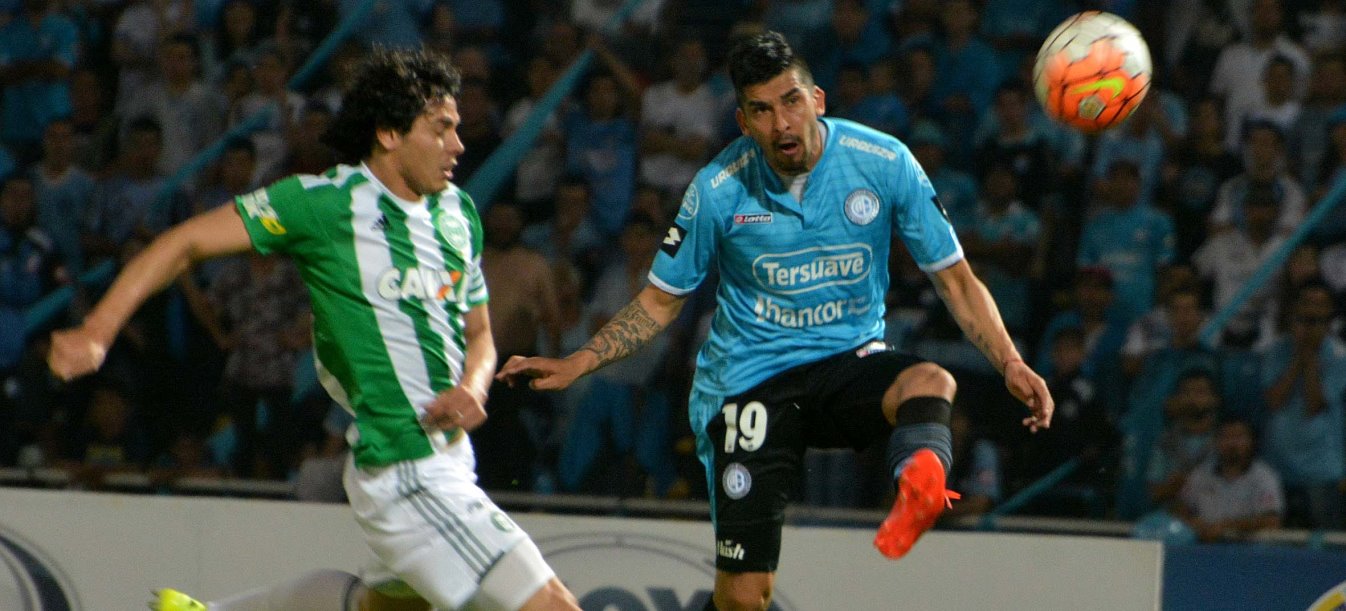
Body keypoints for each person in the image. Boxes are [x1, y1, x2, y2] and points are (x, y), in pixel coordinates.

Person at [498, 32, 1053, 611]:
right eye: (762, 110)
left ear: (817, 100)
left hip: (846, 361)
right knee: (745, 598)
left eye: (791, 101)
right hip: (747, 384)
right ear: (743, 122)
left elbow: (956, 280)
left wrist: (1011, 362)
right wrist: (578, 362)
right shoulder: (718, 188)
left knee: (931, 381)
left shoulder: (884, 161)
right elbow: (660, 302)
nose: (782, 123)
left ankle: (920, 484)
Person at [47, 49, 579, 611]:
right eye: (441, 128)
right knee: (552, 606)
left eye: (458, 128)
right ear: (389, 134)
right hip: (406, 468)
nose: (458, 145)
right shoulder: (324, 204)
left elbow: (480, 335)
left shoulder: (458, 213)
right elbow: (183, 243)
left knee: (379, 608)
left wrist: (473, 386)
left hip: (451, 461)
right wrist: (98, 330)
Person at [1175, 418, 1285, 542]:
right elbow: (1179, 510)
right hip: (1205, 544)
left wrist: (1225, 526)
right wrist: (1193, 522)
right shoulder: (1201, 474)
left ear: (1251, 442)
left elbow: (1271, 521)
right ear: (1216, 441)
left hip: (1248, 546)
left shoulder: (1264, 476)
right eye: (1226, 437)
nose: (1232, 444)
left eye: (1239, 437)